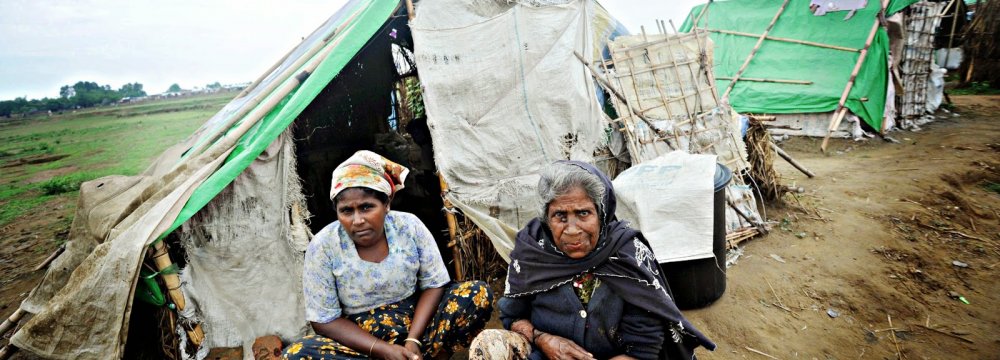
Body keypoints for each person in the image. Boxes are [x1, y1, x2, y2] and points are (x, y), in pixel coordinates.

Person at [469, 161, 715, 360]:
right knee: (489, 346)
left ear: (602, 213)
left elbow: (644, 347)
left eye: (583, 213)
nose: (572, 229)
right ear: (547, 218)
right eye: (560, 216)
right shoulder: (533, 251)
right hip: (544, 353)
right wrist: (544, 339)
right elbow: (514, 316)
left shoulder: (627, 255)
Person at [284, 150, 493, 360]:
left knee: (476, 293)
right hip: (361, 342)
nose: (357, 220)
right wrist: (381, 349)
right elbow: (324, 320)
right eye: (347, 211)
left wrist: (413, 340)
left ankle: (427, 356)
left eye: (367, 207)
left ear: (387, 204)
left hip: (419, 325)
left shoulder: (409, 226)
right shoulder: (324, 246)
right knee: (296, 354)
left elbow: (434, 284)